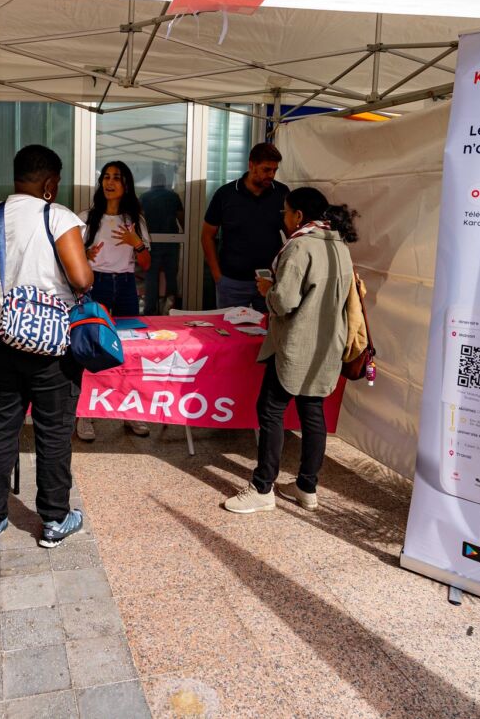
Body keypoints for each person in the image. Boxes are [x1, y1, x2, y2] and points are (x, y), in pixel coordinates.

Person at [0, 145, 93, 551]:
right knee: (53, 430)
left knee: (2, 425)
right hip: (50, 337)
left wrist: (3, 318)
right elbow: (82, 279)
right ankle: (54, 519)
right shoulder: (58, 217)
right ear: (50, 183)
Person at [223, 187, 359, 515]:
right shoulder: (339, 244)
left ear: (298, 215)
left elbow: (284, 302)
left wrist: (268, 290)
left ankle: (262, 488)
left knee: (271, 410)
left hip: (296, 344)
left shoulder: (299, 246)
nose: (282, 217)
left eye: (285, 211)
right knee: (312, 412)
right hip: (327, 345)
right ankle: (307, 487)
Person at [76, 160, 152, 442]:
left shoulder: (135, 220)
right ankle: (85, 414)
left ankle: (130, 410)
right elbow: (72, 258)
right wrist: (86, 256)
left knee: (129, 348)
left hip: (126, 286)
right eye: (106, 177)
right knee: (91, 347)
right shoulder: (86, 218)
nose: (109, 182)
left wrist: (136, 242)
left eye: (116, 178)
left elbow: (146, 263)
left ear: (126, 184)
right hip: (96, 285)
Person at [201, 142, 289, 311]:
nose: (271, 175)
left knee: (269, 326)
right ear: (251, 165)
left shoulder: (282, 193)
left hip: (270, 281)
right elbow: (207, 235)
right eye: (266, 169)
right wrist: (217, 275)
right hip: (232, 282)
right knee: (228, 326)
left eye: (275, 170)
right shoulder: (225, 194)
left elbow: (291, 233)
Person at [141, 169, 184, 315]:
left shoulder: (144, 197)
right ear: (165, 182)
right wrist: (187, 236)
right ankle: (171, 308)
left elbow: (140, 219)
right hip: (171, 242)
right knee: (171, 275)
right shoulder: (173, 196)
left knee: (151, 277)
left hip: (152, 243)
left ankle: (150, 310)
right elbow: (181, 217)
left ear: (152, 182)